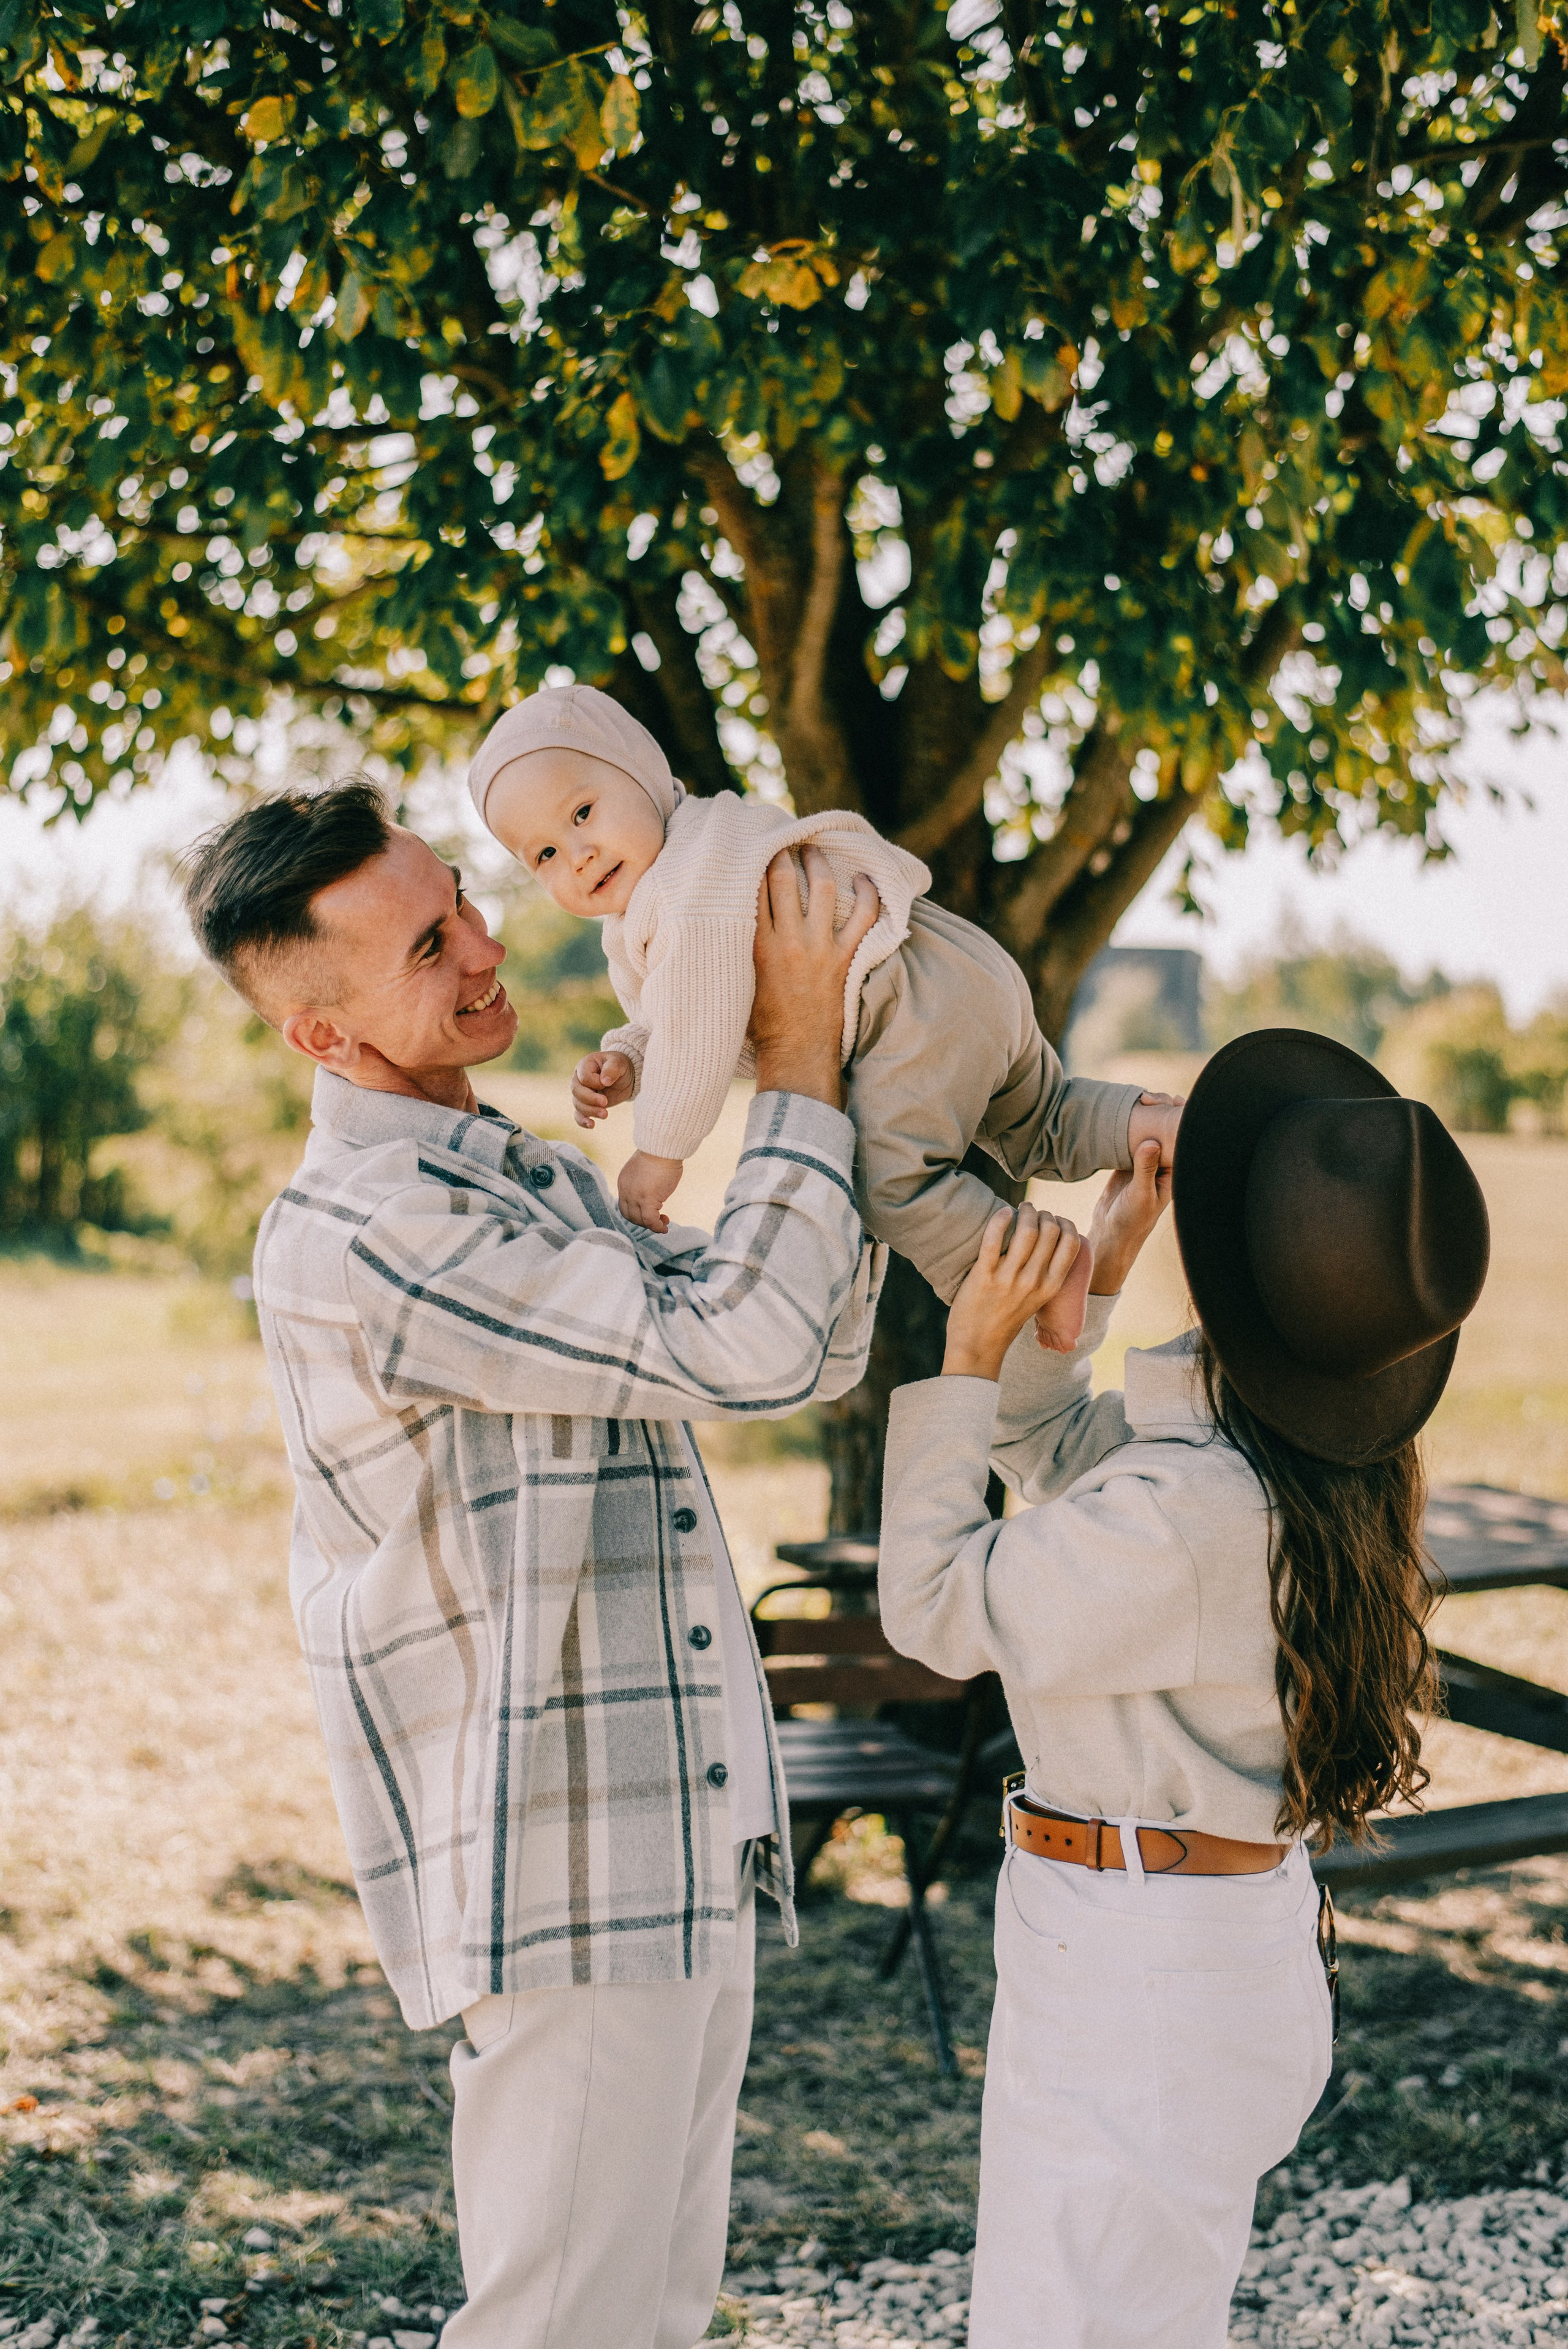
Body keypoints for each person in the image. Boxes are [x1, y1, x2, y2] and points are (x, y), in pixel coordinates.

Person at [179, 779, 888, 2349]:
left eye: (464, 900)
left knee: (644, 2310)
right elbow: (752, 1338)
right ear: (322, 1032)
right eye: (430, 941)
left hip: (681, 1825)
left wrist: (868, 1107)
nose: (491, 944)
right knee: (560, 2323)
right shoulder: (371, 1228)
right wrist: (796, 1060)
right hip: (561, 1847)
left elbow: (806, 1341)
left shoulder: (525, 1176)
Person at [877, 1028, 1491, 2348]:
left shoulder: (1190, 1507)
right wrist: (1095, 1273)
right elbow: (1057, 1453)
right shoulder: (1286, 1467)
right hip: (1194, 1940)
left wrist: (966, 1354)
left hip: (1134, 1961)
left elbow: (932, 1608)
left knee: (1068, 2325)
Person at [467, 684, 1182, 1347]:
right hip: (956, 965)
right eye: (546, 854)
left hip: (906, 1017)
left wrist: (659, 1152)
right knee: (1038, 1114)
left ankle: (1043, 1272)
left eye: (584, 812)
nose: (579, 854)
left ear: (646, 774)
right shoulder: (699, 852)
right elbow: (683, 1008)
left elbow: (700, 1023)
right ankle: (1152, 1124)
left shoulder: (687, 882)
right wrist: (630, 1059)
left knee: (886, 1186)